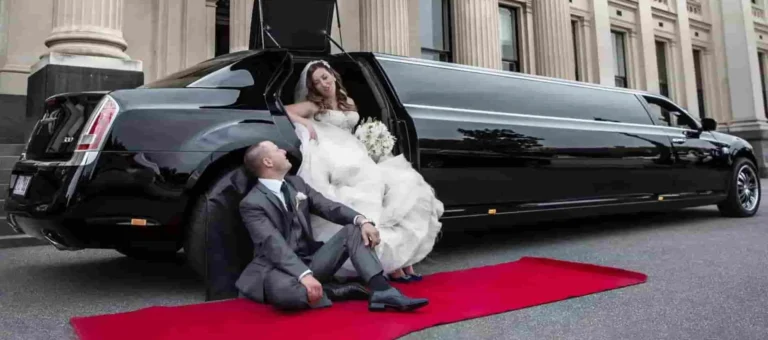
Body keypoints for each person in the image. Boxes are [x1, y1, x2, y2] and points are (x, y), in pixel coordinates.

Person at [285, 60, 444, 282]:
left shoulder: (347, 101)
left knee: (404, 186)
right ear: (312, 87)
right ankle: (387, 265)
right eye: (317, 82)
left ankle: (402, 261)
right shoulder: (314, 106)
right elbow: (284, 111)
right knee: (367, 197)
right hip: (336, 156)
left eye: (325, 77)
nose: (323, 83)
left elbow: (351, 127)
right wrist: (306, 123)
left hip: (357, 152)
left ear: (332, 75)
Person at [235, 141, 429, 312]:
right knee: (286, 295)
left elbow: (328, 206)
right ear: (267, 162)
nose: (284, 151)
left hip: (312, 260)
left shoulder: (297, 184)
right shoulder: (252, 203)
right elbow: (272, 244)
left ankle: (383, 291)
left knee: (353, 230)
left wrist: (362, 220)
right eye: (277, 150)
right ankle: (333, 292)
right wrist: (303, 275)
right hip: (278, 269)